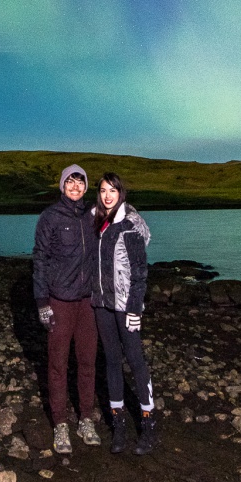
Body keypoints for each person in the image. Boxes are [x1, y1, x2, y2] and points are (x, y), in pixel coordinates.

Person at [32, 165, 101, 454]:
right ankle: (60, 424)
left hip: (88, 302)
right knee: (58, 364)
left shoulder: (93, 216)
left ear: (86, 187)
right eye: (70, 183)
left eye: (80, 183)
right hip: (60, 300)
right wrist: (42, 303)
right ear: (62, 186)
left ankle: (86, 419)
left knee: (87, 363)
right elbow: (40, 259)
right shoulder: (50, 217)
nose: (75, 187)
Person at [91, 172, 157, 455]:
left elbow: (140, 273)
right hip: (101, 304)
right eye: (103, 190)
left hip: (125, 306)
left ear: (121, 193)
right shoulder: (96, 222)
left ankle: (148, 425)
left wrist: (135, 308)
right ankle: (118, 426)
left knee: (136, 361)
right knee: (112, 362)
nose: (108, 195)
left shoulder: (129, 225)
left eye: (113, 191)